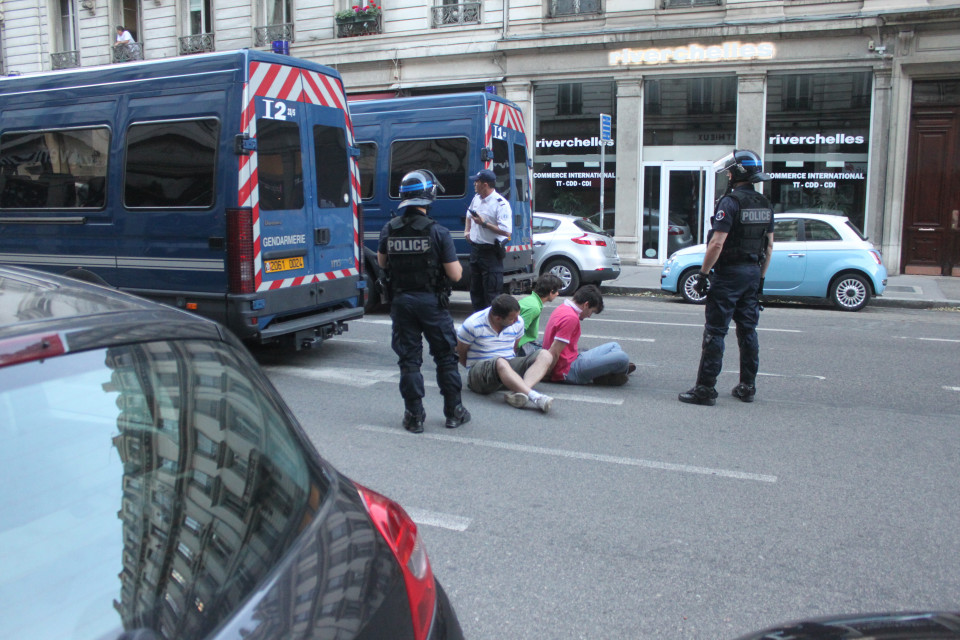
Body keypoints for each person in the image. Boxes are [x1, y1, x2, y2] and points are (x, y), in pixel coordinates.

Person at [678, 149, 775, 406]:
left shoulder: (730, 203)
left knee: (715, 332)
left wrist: (703, 273)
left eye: (730, 170)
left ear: (736, 174)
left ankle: (705, 389)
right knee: (748, 331)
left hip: (729, 274)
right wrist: (760, 281)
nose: (728, 174)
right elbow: (769, 247)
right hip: (753, 274)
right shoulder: (765, 204)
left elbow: (717, 243)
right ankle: (747, 386)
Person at [377, 169, 470, 433]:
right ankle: (454, 412)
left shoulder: (389, 228)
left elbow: (382, 263)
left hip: (402, 303)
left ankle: (414, 416)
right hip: (431, 304)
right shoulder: (437, 232)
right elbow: (455, 274)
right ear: (428, 196)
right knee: (445, 357)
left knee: (409, 360)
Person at [456, 294, 557, 413]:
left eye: (517, 316)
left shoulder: (518, 322)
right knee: (500, 361)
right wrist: (472, 369)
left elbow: (514, 348)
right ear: (498, 318)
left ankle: (520, 392)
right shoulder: (472, 324)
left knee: (545, 354)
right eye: (511, 319)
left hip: (507, 368)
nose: (516, 321)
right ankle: (535, 397)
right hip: (480, 374)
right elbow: (461, 353)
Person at [541, 284, 634, 386]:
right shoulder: (570, 318)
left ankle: (608, 371)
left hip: (574, 358)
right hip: (568, 370)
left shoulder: (563, 307)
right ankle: (615, 372)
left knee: (614, 345)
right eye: (592, 311)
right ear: (586, 305)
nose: (589, 316)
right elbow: (554, 351)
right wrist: (546, 373)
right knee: (622, 358)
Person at [464, 168, 512, 311]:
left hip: (491, 253)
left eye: (476, 182)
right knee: (475, 291)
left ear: (485, 184)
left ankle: (491, 326)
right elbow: (469, 215)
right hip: (476, 251)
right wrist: (467, 230)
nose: (474, 184)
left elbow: (506, 230)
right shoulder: (476, 199)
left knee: (491, 293)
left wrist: (484, 224)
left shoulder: (500, 204)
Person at [516, 273, 563, 357]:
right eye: (557, 291)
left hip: (528, 341)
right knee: (554, 353)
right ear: (551, 292)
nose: (558, 294)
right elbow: (517, 333)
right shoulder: (534, 308)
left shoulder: (531, 300)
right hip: (521, 347)